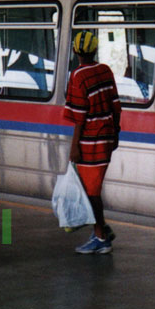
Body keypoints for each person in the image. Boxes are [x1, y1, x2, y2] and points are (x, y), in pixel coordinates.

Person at [63, 30, 121, 254]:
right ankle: (102, 228)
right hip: (106, 137)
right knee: (92, 189)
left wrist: (74, 146)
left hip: (90, 142)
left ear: (76, 51)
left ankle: (101, 237)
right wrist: (116, 133)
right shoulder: (105, 70)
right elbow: (116, 105)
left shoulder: (78, 76)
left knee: (91, 192)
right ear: (95, 50)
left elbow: (79, 115)